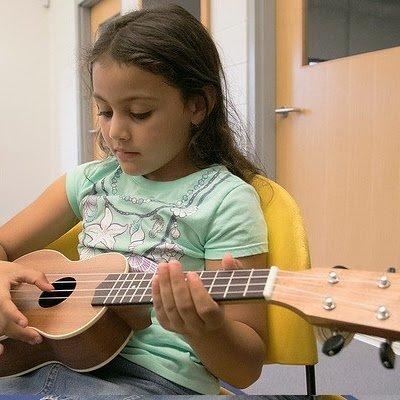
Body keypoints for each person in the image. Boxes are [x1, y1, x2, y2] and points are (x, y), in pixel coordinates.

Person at [0, 4, 269, 398]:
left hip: (154, 381)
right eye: (105, 111)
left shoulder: (227, 201)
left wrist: (206, 329)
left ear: (197, 105)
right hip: (39, 359)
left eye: (139, 113)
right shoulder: (89, 181)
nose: (115, 133)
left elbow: (245, 368)